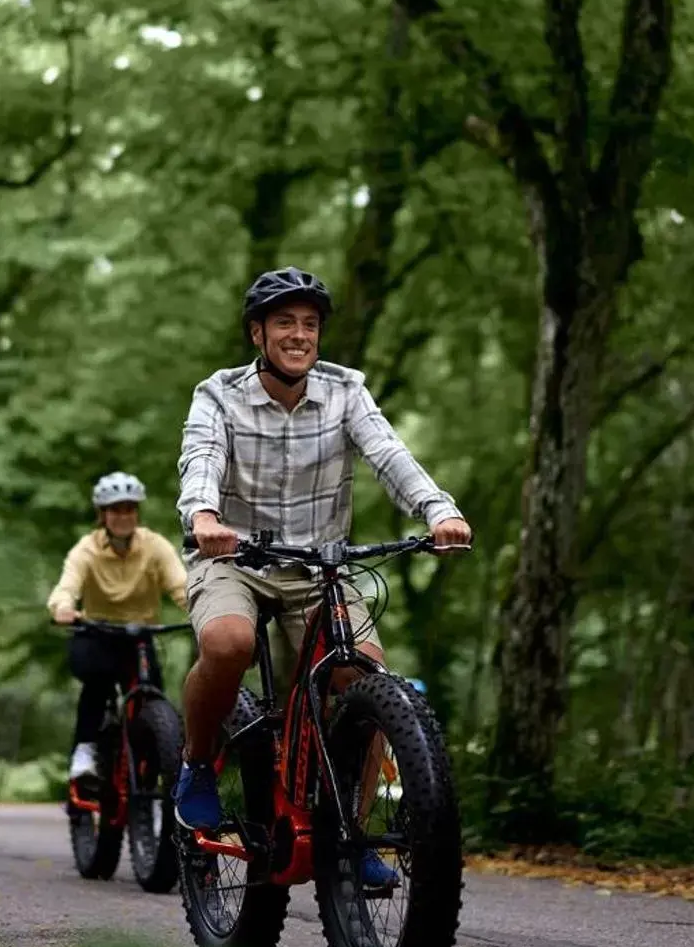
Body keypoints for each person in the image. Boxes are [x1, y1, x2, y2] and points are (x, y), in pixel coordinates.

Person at [173, 266, 471, 870]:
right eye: (285, 323)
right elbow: (201, 456)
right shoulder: (219, 394)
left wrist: (439, 510)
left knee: (367, 680)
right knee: (227, 642)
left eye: (310, 325)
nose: (299, 335)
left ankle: (348, 836)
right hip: (234, 556)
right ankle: (198, 764)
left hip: (319, 565)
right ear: (257, 334)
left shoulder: (346, 391)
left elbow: (389, 454)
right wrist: (204, 515)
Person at [48, 470, 187, 787]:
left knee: (153, 700)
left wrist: (203, 608)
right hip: (98, 634)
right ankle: (85, 751)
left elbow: (181, 586)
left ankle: (152, 771)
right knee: (97, 683)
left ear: (137, 513)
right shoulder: (87, 549)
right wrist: (63, 607)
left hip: (140, 636)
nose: (123, 516)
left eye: (129, 509)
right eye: (115, 510)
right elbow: (67, 585)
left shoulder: (155, 546)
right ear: (103, 515)